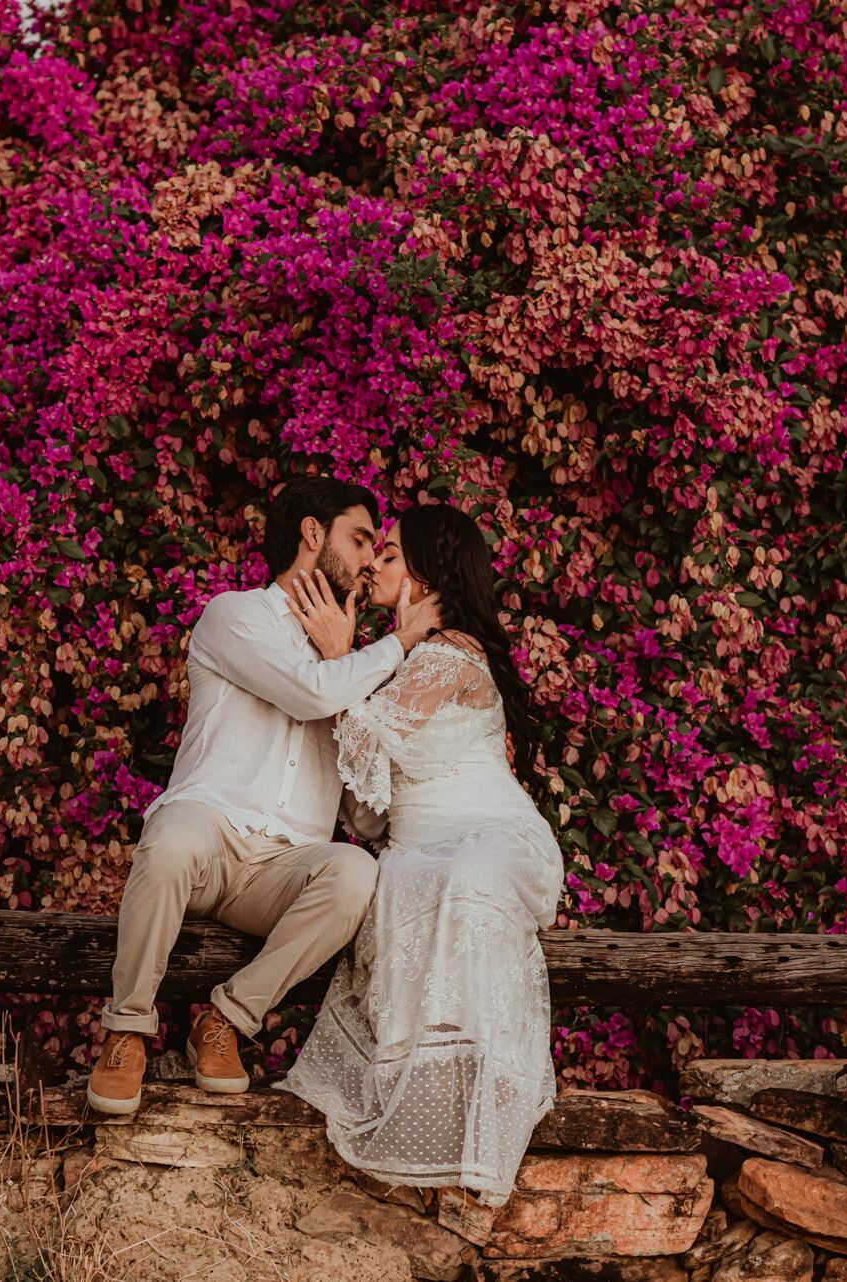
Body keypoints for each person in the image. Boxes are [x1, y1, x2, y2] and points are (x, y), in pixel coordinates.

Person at [86, 476, 446, 1115]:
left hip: (280, 871)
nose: (371, 561)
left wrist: (361, 686)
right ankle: (127, 1028)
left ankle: (225, 1020)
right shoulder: (236, 615)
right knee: (171, 836)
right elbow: (310, 689)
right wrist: (399, 644)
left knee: (354, 871)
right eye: (361, 540)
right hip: (208, 840)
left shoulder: (349, 667)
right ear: (313, 534)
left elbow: (362, 818)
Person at [275, 502, 563, 1208]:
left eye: (393, 553)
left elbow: (367, 740)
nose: (374, 563)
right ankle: (427, 1099)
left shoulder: (448, 652)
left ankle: (470, 1097)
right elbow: (368, 808)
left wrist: (343, 658)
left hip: (491, 839)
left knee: (460, 880)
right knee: (394, 876)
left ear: (431, 573)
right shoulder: (408, 657)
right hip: (419, 847)